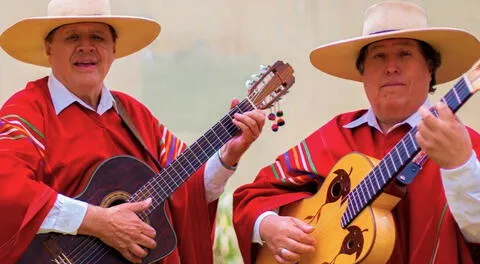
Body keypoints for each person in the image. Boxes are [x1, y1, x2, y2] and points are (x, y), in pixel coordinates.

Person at [0, 0, 265, 263]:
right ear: (49, 47)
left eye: (97, 37)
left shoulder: (134, 114)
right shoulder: (28, 111)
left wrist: (228, 156)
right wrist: (97, 221)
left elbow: (187, 190)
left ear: (113, 48)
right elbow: (8, 192)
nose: (86, 47)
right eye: (72, 37)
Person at [233, 1, 480, 264]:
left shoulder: (466, 145)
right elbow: (253, 196)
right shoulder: (337, 133)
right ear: (362, 73)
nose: (391, 67)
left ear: (429, 68)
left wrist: (460, 166)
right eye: (378, 56)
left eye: (405, 54)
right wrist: (270, 225)